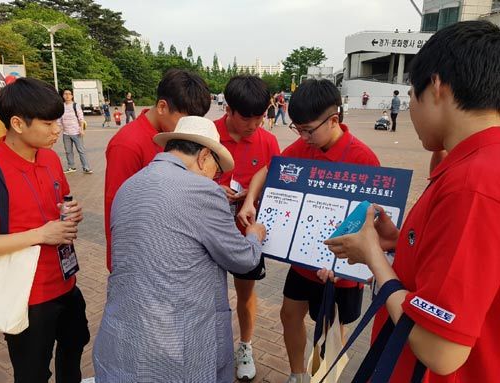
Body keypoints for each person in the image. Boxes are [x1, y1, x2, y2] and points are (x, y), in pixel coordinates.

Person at [324, 20, 500, 382]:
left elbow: (440, 349)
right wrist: (402, 242)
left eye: (411, 98)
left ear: (436, 86)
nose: (410, 111)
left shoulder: (474, 182)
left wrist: (374, 255)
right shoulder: (477, 164)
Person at [93, 116, 266, 383]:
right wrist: (254, 236)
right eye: (216, 170)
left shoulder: (130, 186)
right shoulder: (203, 191)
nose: (214, 178)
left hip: (121, 338)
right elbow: (243, 260)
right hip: (175, 346)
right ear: (204, 156)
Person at [238, 79, 380, 383]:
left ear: (333, 120)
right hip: (303, 262)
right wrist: (251, 200)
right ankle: (298, 375)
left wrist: (349, 265)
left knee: (330, 330)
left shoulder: (362, 158)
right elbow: (269, 169)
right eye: (297, 129)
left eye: (308, 130)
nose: (302, 137)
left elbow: (375, 221)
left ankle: (322, 378)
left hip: (337, 272)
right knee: (289, 315)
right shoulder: (304, 146)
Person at [0, 77, 89, 383]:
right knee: (33, 372)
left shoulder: (50, 158)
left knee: (74, 348)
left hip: (65, 280)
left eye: (57, 121)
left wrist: (72, 214)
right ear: (18, 124)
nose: (57, 130)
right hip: (27, 295)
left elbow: (61, 205)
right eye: (48, 123)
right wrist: (40, 235)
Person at [105, 69, 210, 272]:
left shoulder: (174, 136)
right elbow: (116, 209)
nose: (189, 129)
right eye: (185, 121)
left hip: (169, 249)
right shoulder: (128, 144)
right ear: (162, 106)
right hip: (139, 257)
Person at [213, 75, 280, 381]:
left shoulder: (267, 141)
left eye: (260, 116)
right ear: (228, 109)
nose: (254, 124)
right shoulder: (209, 136)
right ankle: (211, 346)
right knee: (207, 294)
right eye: (246, 117)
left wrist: (251, 198)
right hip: (209, 232)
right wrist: (215, 190)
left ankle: (246, 347)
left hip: (247, 233)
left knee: (245, 293)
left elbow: (276, 183)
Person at [58, 88, 93, 174]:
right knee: (68, 151)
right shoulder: (61, 106)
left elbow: (81, 118)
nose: (67, 95)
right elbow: (59, 119)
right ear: (63, 96)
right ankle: (71, 167)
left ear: (72, 96)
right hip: (66, 133)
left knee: (81, 150)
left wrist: (81, 129)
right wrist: (58, 129)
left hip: (76, 132)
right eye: (65, 94)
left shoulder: (75, 105)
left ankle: (86, 167)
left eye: (69, 94)